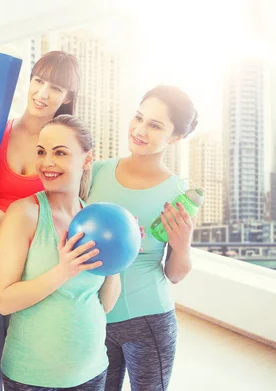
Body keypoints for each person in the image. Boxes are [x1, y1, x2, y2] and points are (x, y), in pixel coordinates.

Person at [0, 50, 82, 391]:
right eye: (38, 81)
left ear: (67, 98)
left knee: (28, 372)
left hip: (34, 274)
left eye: (56, 88)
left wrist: (8, 220)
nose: (43, 93)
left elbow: (67, 211)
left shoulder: (63, 149)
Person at [0, 115, 122, 391]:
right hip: (34, 378)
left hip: (93, 370)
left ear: (87, 159)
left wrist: (119, 254)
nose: (47, 162)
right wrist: (63, 270)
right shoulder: (24, 214)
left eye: (60, 153)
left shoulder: (94, 218)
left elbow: (105, 305)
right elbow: (5, 301)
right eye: (42, 152)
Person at [87, 85, 198, 391]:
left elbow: (174, 274)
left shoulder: (179, 194)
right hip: (94, 316)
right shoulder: (96, 172)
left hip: (148, 319)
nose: (139, 130)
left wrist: (183, 243)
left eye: (155, 125)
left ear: (174, 138)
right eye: (139, 117)